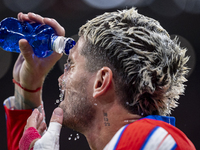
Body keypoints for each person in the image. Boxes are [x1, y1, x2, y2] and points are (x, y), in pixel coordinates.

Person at [4, 8, 195, 150]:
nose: (60, 79)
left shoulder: (150, 137)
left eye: (70, 65)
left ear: (101, 82)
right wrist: (29, 85)